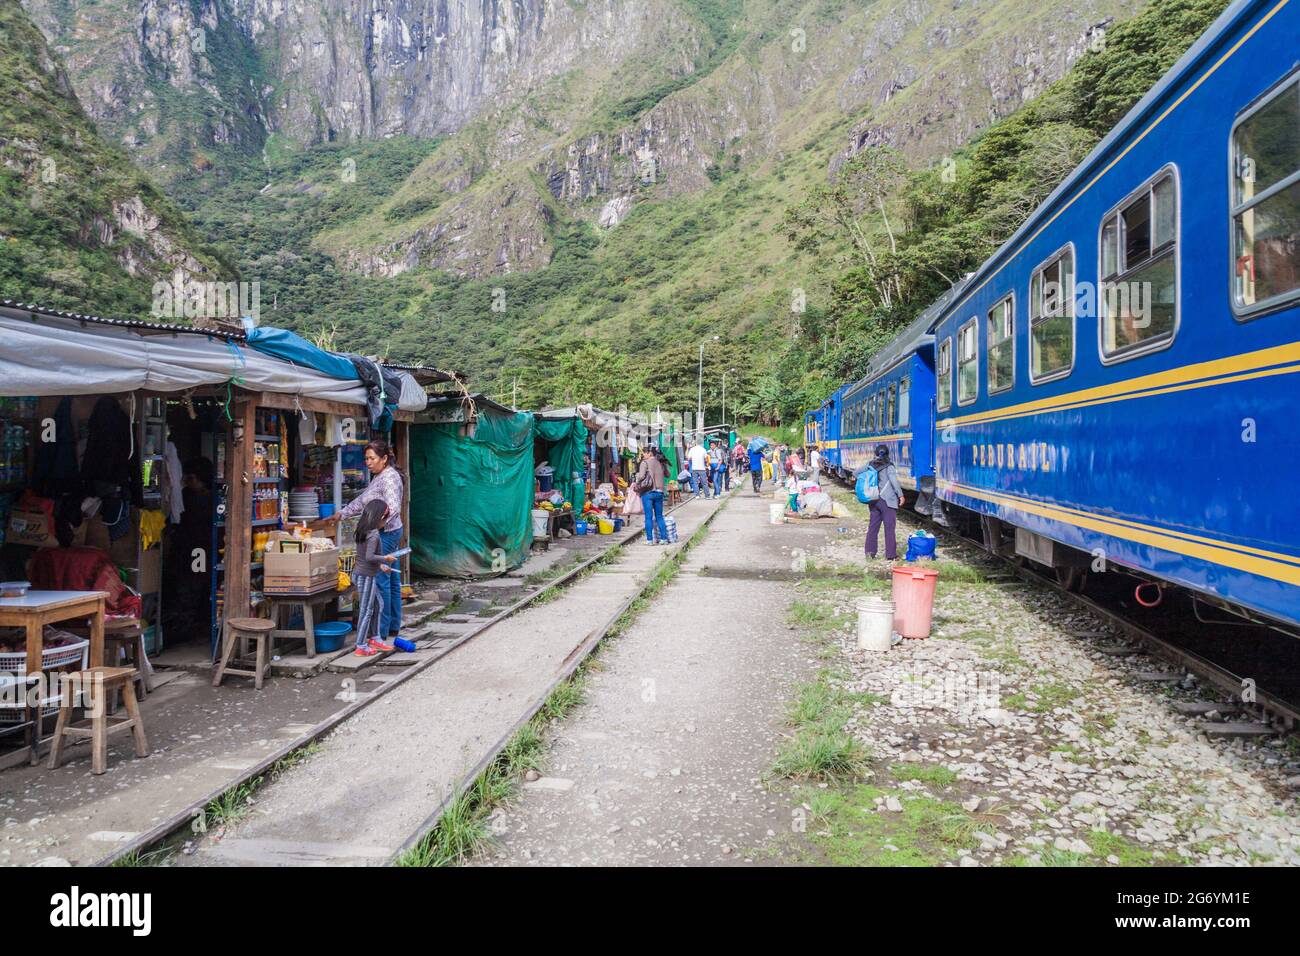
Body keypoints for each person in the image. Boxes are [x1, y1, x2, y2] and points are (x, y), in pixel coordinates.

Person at [321, 439, 405, 638]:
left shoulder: (389, 478)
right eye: (366, 458)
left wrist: (376, 526)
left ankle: (381, 631)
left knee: (382, 580)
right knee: (391, 579)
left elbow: (393, 508)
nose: (368, 462)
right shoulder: (379, 476)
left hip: (386, 534)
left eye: (372, 458)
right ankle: (391, 626)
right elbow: (362, 500)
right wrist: (342, 513)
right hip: (391, 532)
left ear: (384, 458)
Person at [350, 499, 399, 656]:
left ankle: (375, 638)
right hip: (366, 576)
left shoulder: (363, 530)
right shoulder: (374, 535)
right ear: (380, 518)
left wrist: (381, 566)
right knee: (367, 610)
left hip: (362, 573)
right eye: (386, 519)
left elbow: (365, 557)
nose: (386, 522)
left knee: (378, 604)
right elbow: (370, 556)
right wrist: (386, 559)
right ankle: (361, 645)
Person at [858, 443, 905, 561]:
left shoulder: (870, 465)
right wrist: (901, 495)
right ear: (888, 454)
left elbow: (856, 473)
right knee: (889, 528)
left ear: (876, 453)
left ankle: (870, 553)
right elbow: (894, 482)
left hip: (873, 500)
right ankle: (891, 555)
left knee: (873, 527)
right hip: (887, 500)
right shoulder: (889, 466)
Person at [634, 447, 669, 545]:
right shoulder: (661, 462)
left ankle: (650, 540)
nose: (643, 455)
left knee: (648, 517)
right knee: (659, 516)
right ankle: (664, 539)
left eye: (645, 453)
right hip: (660, 492)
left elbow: (641, 476)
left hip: (648, 492)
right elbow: (668, 474)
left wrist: (637, 478)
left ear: (650, 453)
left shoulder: (644, 463)